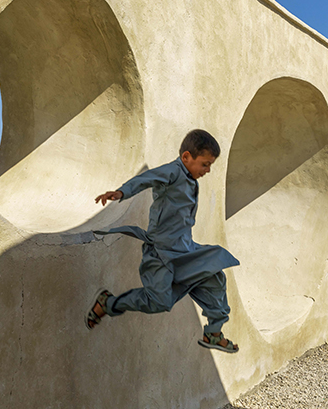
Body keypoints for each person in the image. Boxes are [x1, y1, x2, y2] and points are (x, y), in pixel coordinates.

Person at [86, 129, 240, 353]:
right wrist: (121, 192)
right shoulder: (172, 172)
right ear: (186, 157)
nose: (207, 171)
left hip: (185, 250)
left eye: (210, 166)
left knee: (215, 278)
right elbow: (146, 178)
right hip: (161, 253)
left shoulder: (190, 178)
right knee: (159, 302)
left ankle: (213, 334)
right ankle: (108, 304)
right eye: (205, 164)